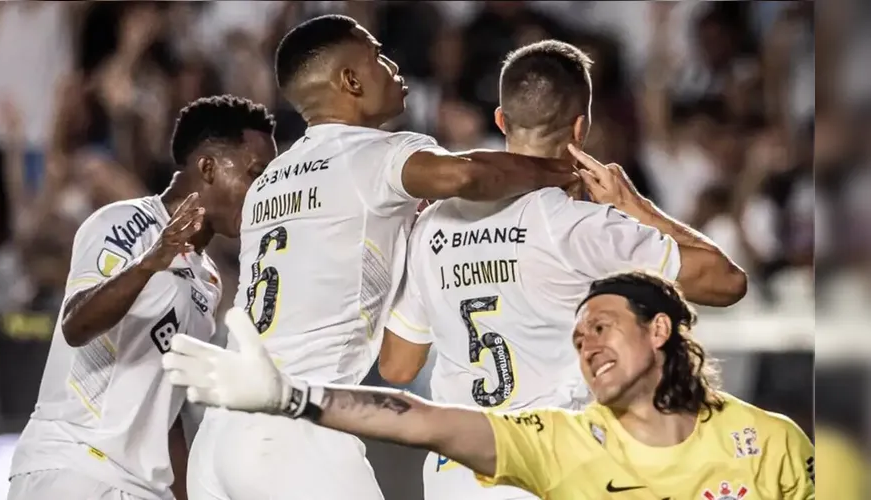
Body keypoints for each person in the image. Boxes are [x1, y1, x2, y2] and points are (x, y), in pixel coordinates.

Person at [185, 14, 579, 500]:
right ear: (350, 81)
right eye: (378, 57)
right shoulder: (375, 154)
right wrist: (562, 171)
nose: (394, 67)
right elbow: (466, 177)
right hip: (293, 427)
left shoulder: (270, 179)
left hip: (219, 435)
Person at [377, 41, 747, 500]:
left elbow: (397, 365)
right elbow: (727, 281)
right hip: (549, 466)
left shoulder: (432, 223)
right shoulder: (579, 227)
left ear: (500, 120)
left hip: (456, 471)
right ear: (581, 126)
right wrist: (636, 207)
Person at [163, 271, 815, 500]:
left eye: (603, 327)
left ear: (659, 331)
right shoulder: (565, 442)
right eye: (579, 335)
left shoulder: (771, 442)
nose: (586, 344)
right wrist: (292, 397)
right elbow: (421, 420)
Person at [7, 95, 277, 500]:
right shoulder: (124, 223)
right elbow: (76, 325)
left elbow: (165, 407)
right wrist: (150, 262)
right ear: (207, 167)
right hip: (76, 468)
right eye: (256, 174)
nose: (263, 193)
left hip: (142, 486)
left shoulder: (209, 280)